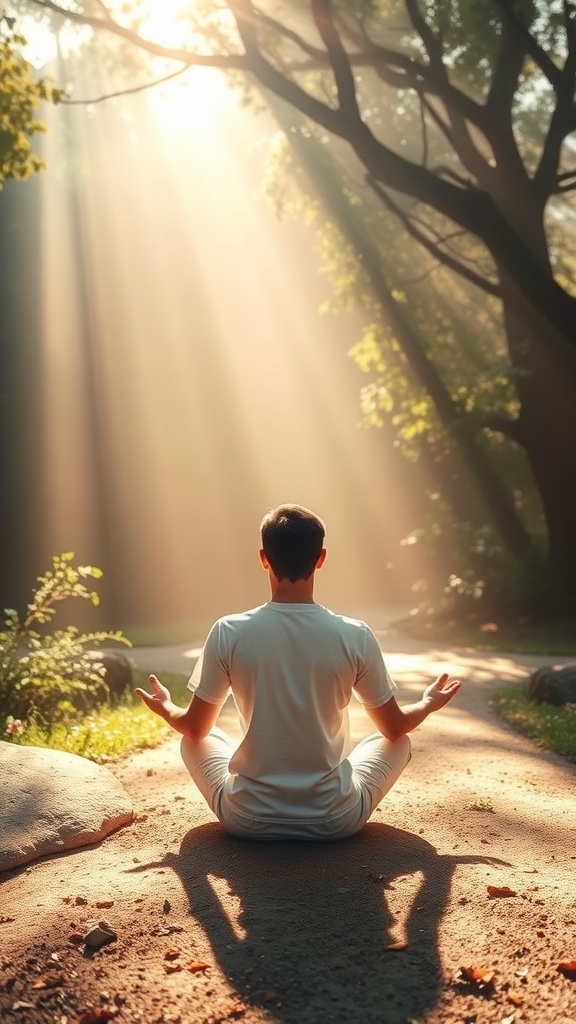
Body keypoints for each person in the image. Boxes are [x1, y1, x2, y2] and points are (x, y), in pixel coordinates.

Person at [136, 504, 460, 840]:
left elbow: (195, 728)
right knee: (397, 742)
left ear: (264, 558)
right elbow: (393, 729)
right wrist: (428, 703)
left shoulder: (228, 631)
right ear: (320, 558)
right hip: (335, 821)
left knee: (195, 741)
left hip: (247, 820)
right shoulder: (354, 634)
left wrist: (166, 707)